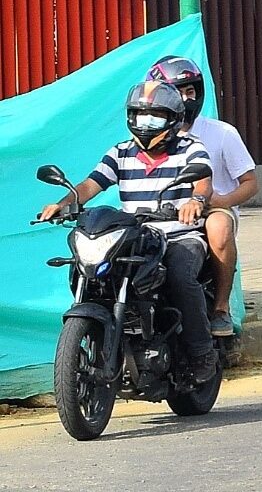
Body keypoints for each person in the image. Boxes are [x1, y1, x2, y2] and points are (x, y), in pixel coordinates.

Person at [39, 81, 218, 383]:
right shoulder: (121, 152)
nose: (145, 124)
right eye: (139, 116)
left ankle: (202, 353)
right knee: (91, 272)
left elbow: (203, 182)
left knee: (179, 275)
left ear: (173, 118)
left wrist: (195, 201)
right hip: (135, 237)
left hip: (178, 235)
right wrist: (62, 204)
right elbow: (89, 185)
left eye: (155, 117)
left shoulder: (191, 147)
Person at [147, 56, 258, 337]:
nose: (185, 99)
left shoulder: (221, 133)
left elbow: (250, 183)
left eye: (190, 91)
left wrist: (220, 201)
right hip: (162, 212)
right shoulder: (149, 135)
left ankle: (220, 308)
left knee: (218, 228)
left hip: (211, 209)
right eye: (177, 92)